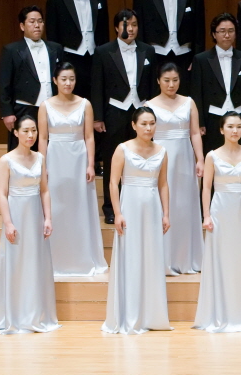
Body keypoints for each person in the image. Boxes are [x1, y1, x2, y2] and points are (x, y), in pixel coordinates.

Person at [193, 112, 241, 333]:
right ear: (221, 130)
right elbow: (207, 187)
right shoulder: (212, 156)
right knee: (223, 259)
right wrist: (206, 215)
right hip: (220, 212)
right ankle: (221, 311)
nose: (235, 131)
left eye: (238, 127)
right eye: (230, 127)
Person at [0, 116, 58, 334]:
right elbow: (2, 194)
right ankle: (14, 314)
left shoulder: (40, 158)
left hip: (35, 215)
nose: (31, 135)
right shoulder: (6, 161)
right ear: (16, 133)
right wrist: (8, 223)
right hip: (16, 215)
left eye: (33, 130)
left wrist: (47, 218)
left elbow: (44, 190)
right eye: (26, 131)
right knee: (16, 263)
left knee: (35, 262)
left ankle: (34, 313)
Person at [102, 107, 171, 334]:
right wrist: (118, 213)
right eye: (144, 123)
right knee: (131, 257)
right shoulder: (122, 149)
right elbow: (113, 183)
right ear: (134, 125)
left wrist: (166, 213)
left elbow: (163, 184)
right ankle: (129, 313)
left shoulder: (162, 151)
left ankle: (151, 314)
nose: (148, 128)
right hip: (129, 207)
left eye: (152, 123)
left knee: (151, 256)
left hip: (152, 209)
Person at [38, 62, 106, 277]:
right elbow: (43, 138)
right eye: (64, 79)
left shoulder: (85, 104)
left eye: (72, 79)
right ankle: (56, 259)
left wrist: (90, 164)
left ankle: (82, 258)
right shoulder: (45, 106)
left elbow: (89, 137)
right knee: (57, 206)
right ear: (55, 81)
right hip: (55, 158)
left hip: (78, 159)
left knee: (79, 206)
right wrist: (42, 165)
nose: (68, 83)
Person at [91, 9, 157, 223]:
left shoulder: (148, 51)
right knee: (113, 159)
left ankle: (138, 206)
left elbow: (152, 85)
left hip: (141, 111)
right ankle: (111, 208)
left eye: (134, 24)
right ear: (117, 27)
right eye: (126, 25)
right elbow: (97, 84)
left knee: (141, 158)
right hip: (115, 111)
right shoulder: (103, 51)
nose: (131, 29)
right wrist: (98, 117)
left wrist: (152, 112)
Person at [147, 63, 203, 275]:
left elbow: (195, 133)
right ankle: (163, 259)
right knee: (164, 205)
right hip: (160, 158)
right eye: (166, 80)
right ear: (158, 81)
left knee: (184, 205)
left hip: (185, 159)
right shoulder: (149, 105)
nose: (171, 85)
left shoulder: (189, 102)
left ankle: (186, 257)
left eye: (175, 80)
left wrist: (200, 159)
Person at [132, 0, 205, 95]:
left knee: (184, 96)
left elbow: (199, 31)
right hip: (156, 55)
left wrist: (196, 59)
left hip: (184, 56)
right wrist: (142, 59)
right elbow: (140, 32)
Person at [0, 5, 62, 150]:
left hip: (52, 108)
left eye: (40, 21)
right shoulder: (11, 50)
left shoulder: (55, 48)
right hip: (24, 108)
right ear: (22, 26)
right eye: (32, 21)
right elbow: (3, 83)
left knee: (51, 151)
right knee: (23, 152)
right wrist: (7, 113)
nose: (37, 25)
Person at [45, 0, 108, 100]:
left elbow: (104, 31)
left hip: (94, 56)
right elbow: (52, 35)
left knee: (96, 97)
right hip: (69, 57)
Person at [192, 14, 241, 154]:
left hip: (239, 117)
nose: (227, 35)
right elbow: (197, 93)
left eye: (231, 31)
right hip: (212, 118)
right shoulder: (201, 59)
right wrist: (200, 122)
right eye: (222, 31)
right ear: (214, 34)